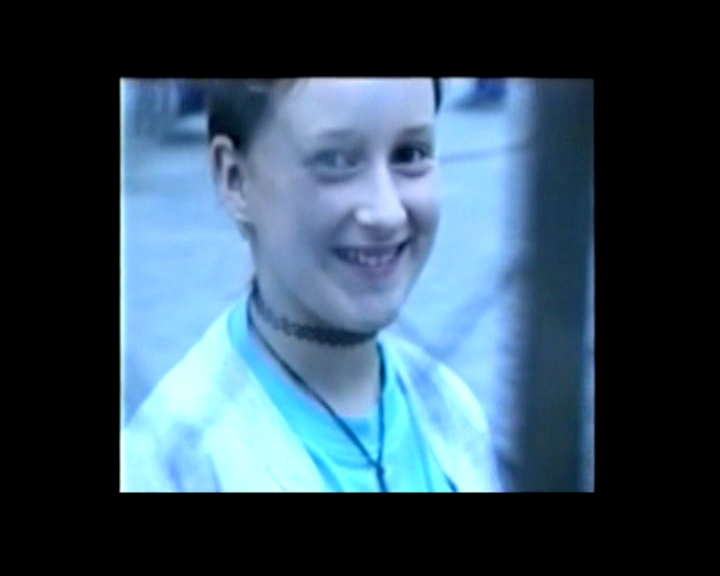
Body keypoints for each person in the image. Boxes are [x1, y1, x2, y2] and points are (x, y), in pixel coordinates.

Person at [121, 78, 502, 492]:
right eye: (335, 161)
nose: (387, 212)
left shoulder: (452, 411)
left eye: (410, 154)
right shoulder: (175, 464)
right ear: (235, 179)